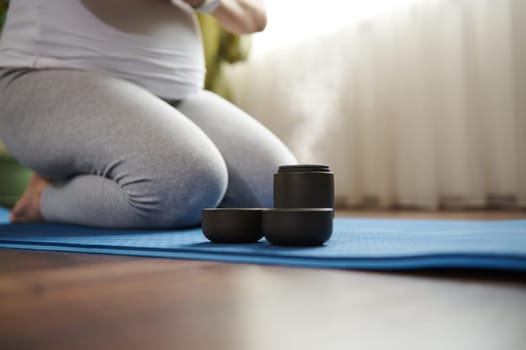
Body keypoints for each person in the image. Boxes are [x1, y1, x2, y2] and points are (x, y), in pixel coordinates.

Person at [0, 0, 297, 228]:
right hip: (44, 77)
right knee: (186, 183)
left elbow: (252, 16)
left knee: (281, 193)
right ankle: (43, 200)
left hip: (172, 95)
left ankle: (110, 171)